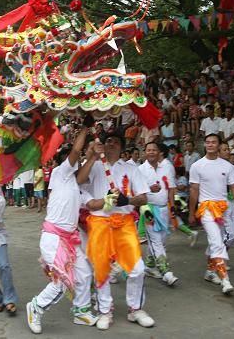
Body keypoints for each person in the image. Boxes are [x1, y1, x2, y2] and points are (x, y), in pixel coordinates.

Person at [27, 126, 113, 334]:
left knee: (84, 273)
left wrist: (112, 199)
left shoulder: (78, 188)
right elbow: (75, 153)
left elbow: (92, 203)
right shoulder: (59, 173)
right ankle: (36, 307)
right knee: (62, 281)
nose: (77, 163)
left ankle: (81, 312)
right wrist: (84, 128)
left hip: (70, 240)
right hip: (54, 238)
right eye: (75, 161)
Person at [76, 132, 155, 330]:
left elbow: (144, 198)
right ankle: (105, 310)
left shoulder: (131, 168)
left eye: (115, 142)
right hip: (100, 221)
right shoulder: (93, 165)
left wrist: (126, 200)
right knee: (101, 269)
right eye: (108, 141)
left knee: (137, 269)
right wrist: (93, 156)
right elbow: (78, 181)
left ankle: (135, 309)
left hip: (125, 222)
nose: (111, 144)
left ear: (122, 148)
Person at [189, 134, 234, 294]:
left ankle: (210, 271)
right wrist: (191, 212)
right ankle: (225, 280)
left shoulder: (227, 166)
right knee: (216, 242)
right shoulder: (197, 166)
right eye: (207, 142)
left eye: (213, 142)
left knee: (231, 237)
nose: (210, 145)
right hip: (206, 208)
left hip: (224, 207)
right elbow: (194, 190)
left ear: (218, 145)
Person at [138, 142, 178, 286]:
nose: (151, 152)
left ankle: (149, 266)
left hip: (164, 209)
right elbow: (136, 191)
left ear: (159, 152)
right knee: (155, 240)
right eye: (148, 150)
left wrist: (172, 207)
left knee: (161, 239)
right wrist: (149, 188)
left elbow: (171, 188)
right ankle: (166, 272)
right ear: (145, 152)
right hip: (148, 208)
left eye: (154, 150)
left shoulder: (166, 168)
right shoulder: (140, 170)